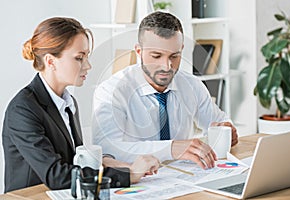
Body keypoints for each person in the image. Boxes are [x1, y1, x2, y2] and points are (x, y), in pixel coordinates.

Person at [2, 17, 159, 193]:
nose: (88, 65)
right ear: (51, 61)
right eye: (79, 58)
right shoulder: (23, 110)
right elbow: (57, 176)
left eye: (87, 57)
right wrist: (128, 174)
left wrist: (121, 166)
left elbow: (75, 161)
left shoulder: (68, 102)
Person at [92, 11, 238, 169]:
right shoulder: (111, 91)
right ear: (139, 52)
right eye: (156, 56)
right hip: (138, 181)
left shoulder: (192, 85)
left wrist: (228, 128)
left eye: (174, 56)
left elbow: (217, 121)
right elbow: (108, 149)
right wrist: (170, 149)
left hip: (186, 176)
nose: (166, 66)